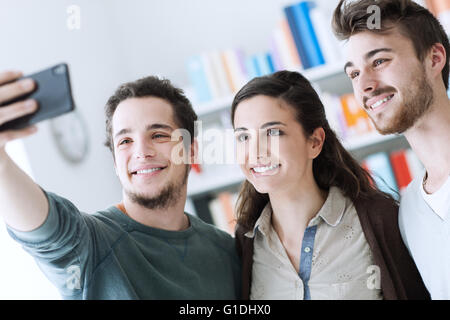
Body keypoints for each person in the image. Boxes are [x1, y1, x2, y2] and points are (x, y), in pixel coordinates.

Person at [0, 70, 241, 299]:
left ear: (192, 151)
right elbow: (48, 233)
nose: (142, 152)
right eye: (125, 140)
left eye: (158, 135)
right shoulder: (91, 246)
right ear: (116, 162)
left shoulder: (226, 251)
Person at [231, 70, 429, 300]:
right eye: (243, 137)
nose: (255, 152)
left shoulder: (377, 220)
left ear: (315, 141)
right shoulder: (245, 242)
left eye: (273, 132)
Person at [332, 0, 450, 299]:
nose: (365, 86)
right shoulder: (408, 213)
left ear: (434, 59)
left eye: (380, 61)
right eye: (354, 74)